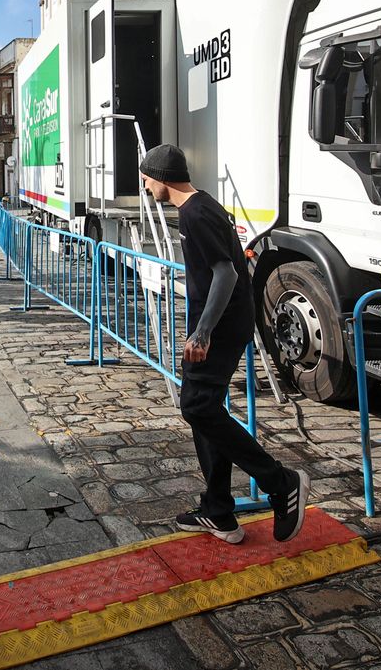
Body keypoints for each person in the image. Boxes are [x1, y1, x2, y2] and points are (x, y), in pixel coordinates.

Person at [138, 143, 309, 545]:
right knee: (205, 410)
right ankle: (218, 511)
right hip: (223, 324)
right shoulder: (203, 205)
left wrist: (203, 332)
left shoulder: (195, 213)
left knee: (196, 407)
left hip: (219, 328)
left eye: (146, 179)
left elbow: (226, 273)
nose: (145, 188)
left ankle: (280, 482)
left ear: (160, 178)